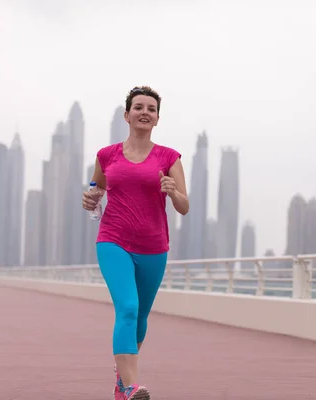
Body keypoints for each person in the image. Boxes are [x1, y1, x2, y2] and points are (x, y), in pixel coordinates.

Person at [82, 86, 189, 400]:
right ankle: (130, 388)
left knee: (140, 317)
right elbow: (96, 189)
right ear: (126, 114)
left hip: (154, 246)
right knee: (127, 308)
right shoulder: (107, 155)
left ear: (156, 119)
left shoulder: (169, 157)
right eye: (138, 107)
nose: (145, 112)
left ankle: (120, 382)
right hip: (113, 241)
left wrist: (173, 190)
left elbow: (184, 205)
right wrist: (91, 199)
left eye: (151, 109)